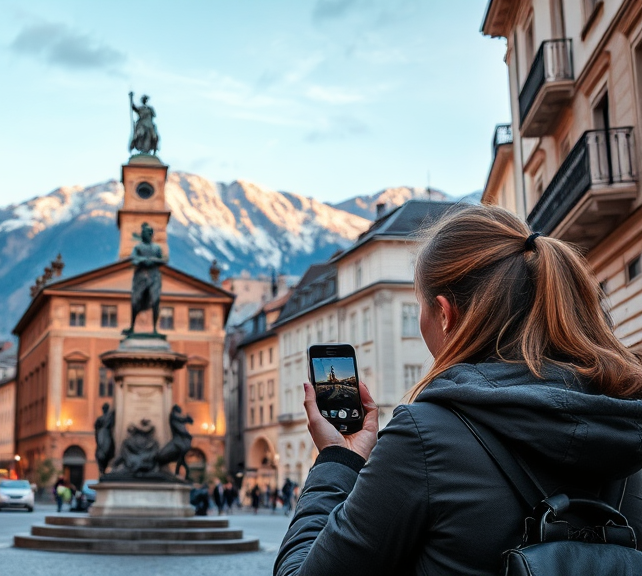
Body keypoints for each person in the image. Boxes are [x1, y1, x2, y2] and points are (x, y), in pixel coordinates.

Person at [275, 205, 642, 576]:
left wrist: (338, 460)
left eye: (420, 306)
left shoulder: (424, 438)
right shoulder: (628, 421)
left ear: (445, 314)